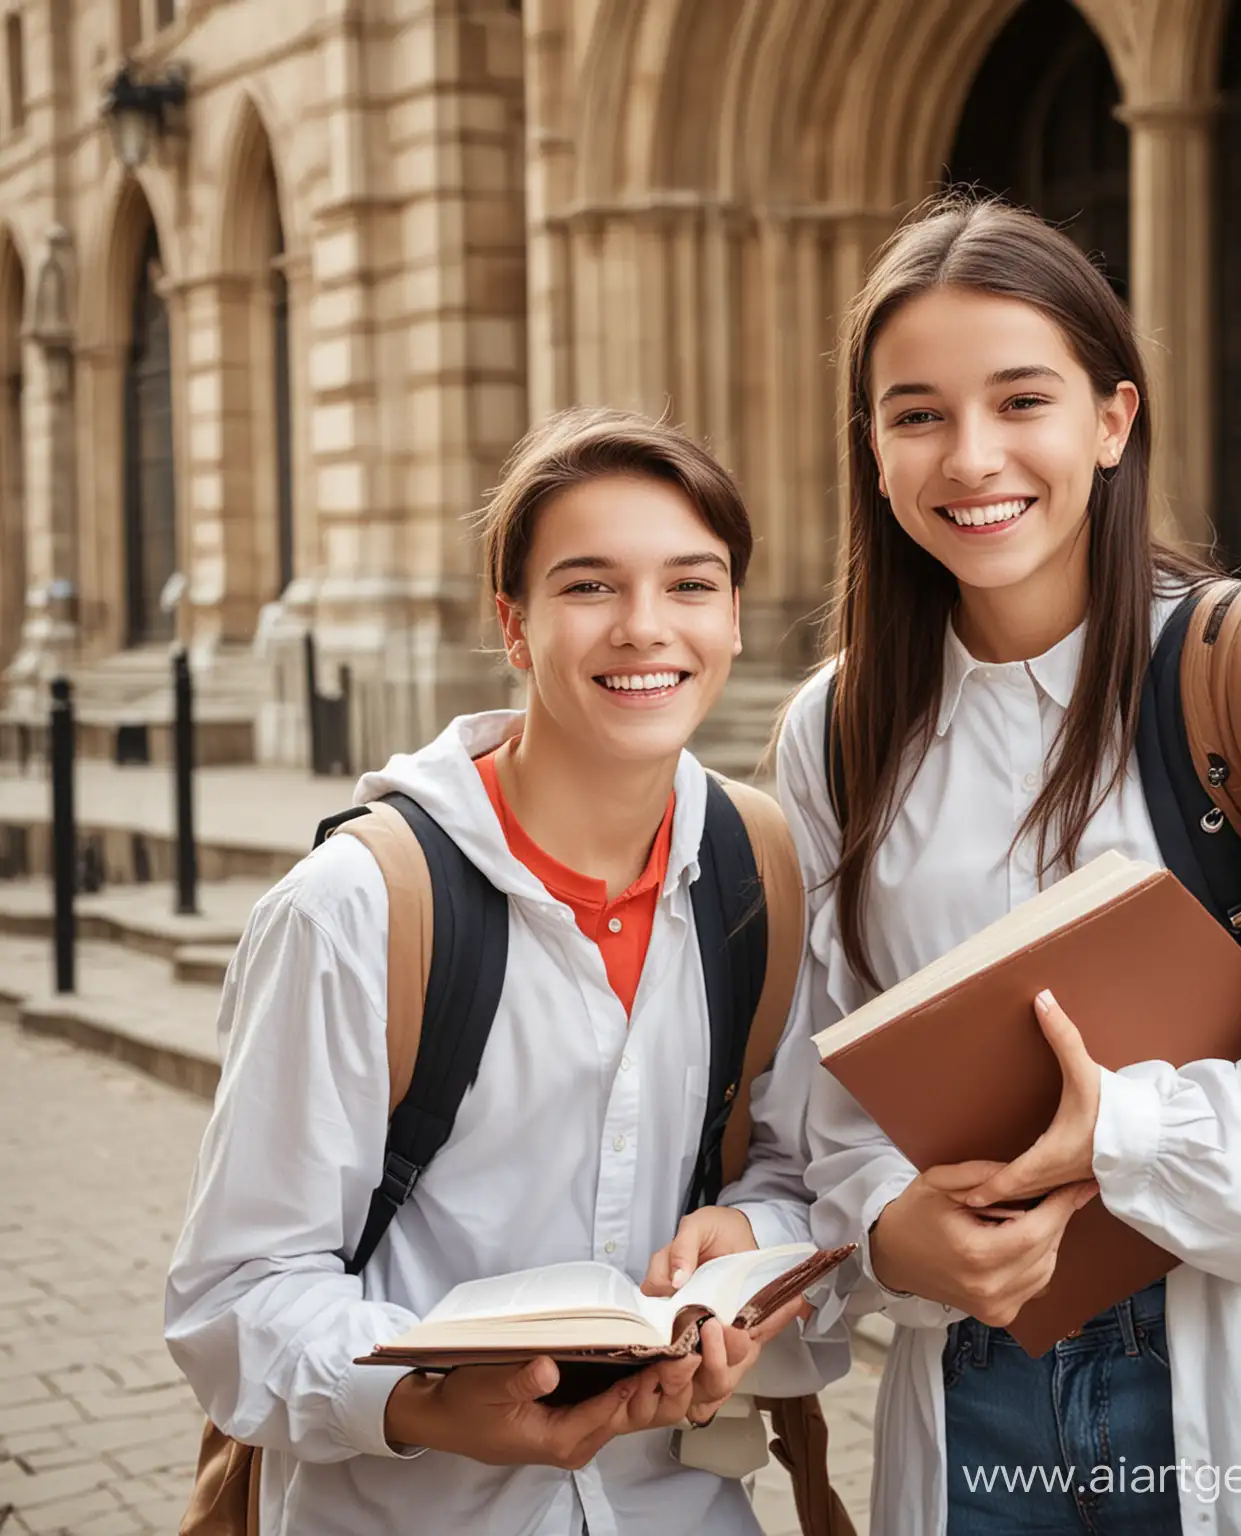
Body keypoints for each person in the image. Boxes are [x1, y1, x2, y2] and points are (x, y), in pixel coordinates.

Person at [770, 198, 1241, 1534]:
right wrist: (895, 1231)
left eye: (1023, 399)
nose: (972, 458)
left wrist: (1121, 1132)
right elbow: (825, 1106)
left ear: (1113, 419)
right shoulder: (837, 731)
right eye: (916, 415)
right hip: (975, 1406)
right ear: (874, 448)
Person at [165, 407, 842, 1536]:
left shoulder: (759, 869)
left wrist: (753, 1253)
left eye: (689, 585)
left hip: (682, 1507)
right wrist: (430, 1403)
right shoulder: (355, 910)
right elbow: (235, 1302)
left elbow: (792, 1171)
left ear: (731, 618)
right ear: (514, 625)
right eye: (589, 587)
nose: (644, 629)